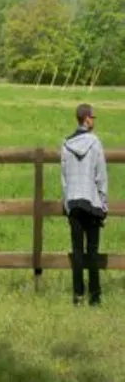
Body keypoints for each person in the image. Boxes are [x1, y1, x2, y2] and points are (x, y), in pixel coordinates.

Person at [60, 103, 108, 306]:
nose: (94, 121)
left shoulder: (65, 144)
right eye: (93, 117)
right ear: (87, 119)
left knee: (77, 251)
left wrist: (67, 203)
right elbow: (101, 176)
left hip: (73, 201)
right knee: (93, 251)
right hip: (91, 201)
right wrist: (103, 203)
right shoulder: (95, 143)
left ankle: (78, 295)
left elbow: (64, 178)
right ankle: (95, 296)